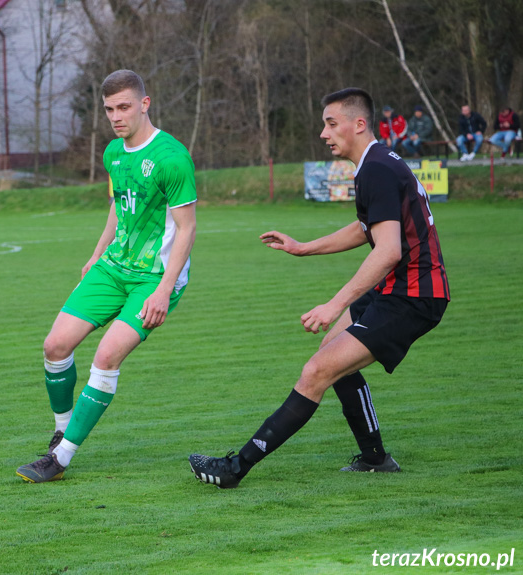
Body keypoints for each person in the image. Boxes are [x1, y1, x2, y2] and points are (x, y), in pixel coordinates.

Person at [188, 87, 449, 489]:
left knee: (317, 370)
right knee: (331, 353)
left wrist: (334, 303)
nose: (324, 133)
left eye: (331, 123)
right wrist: (303, 248)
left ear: (358, 124)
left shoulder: (376, 168)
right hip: (402, 288)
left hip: (414, 294)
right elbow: (368, 228)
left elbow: (387, 252)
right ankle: (375, 459)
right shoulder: (377, 163)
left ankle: (235, 468)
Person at [16, 69, 197, 483]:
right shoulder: (113, 154)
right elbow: (118, 206)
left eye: (124, 107)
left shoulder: (171, 157)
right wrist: (94, 258)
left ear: (144, 104)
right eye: (110, 109)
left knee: (106, 356)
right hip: (112, 267)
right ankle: (61, 430)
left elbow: (187, 228)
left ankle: (61, 458)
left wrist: (164, 292)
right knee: (55, 345)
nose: (116, 116)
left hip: (154, 278)